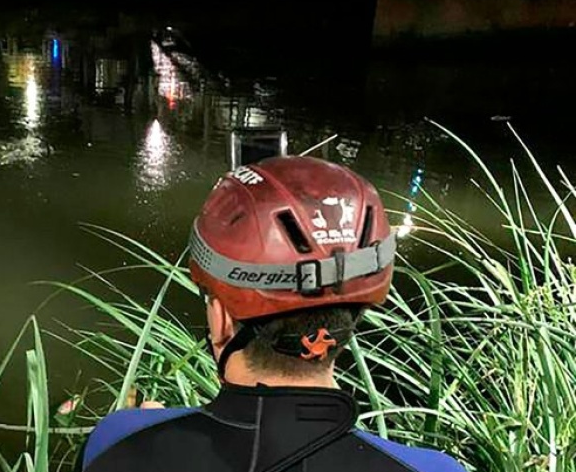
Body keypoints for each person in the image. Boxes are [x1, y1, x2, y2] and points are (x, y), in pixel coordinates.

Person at [81, 156, 467, 472]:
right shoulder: (434, 469)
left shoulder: (115, 445)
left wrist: (149, 432)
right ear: (361, 306)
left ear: (221, 318)